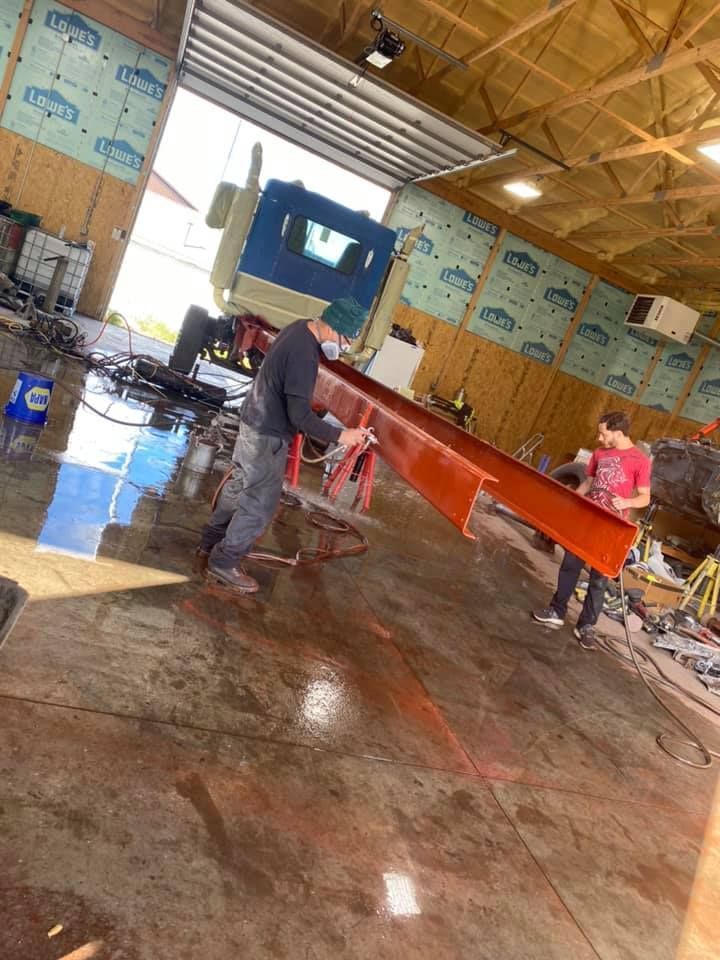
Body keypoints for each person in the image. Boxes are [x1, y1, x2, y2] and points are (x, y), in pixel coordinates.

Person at [198, 297, 371, 593]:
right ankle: (224, 562)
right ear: (334, 327)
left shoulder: (298, 329)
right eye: (344, 340)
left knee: (239, 485)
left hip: (253, 420)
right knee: (259, 504)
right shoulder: (305, 354)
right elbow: (300, 416)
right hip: (268, 433)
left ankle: (210, 541)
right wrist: (341, 435)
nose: (343, 348)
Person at [532, 411, 651, 650]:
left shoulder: (639, 460)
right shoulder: (599, 453)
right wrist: (571, 503)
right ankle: (556, 610)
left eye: (603, 433)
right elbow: (587, 482)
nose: (599, 438)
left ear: (618, 433)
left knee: (599, 578)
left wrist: (626, 502)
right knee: (570, 565)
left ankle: (586, 626)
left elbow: (644, 497)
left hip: (611, 527)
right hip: (588, 521)